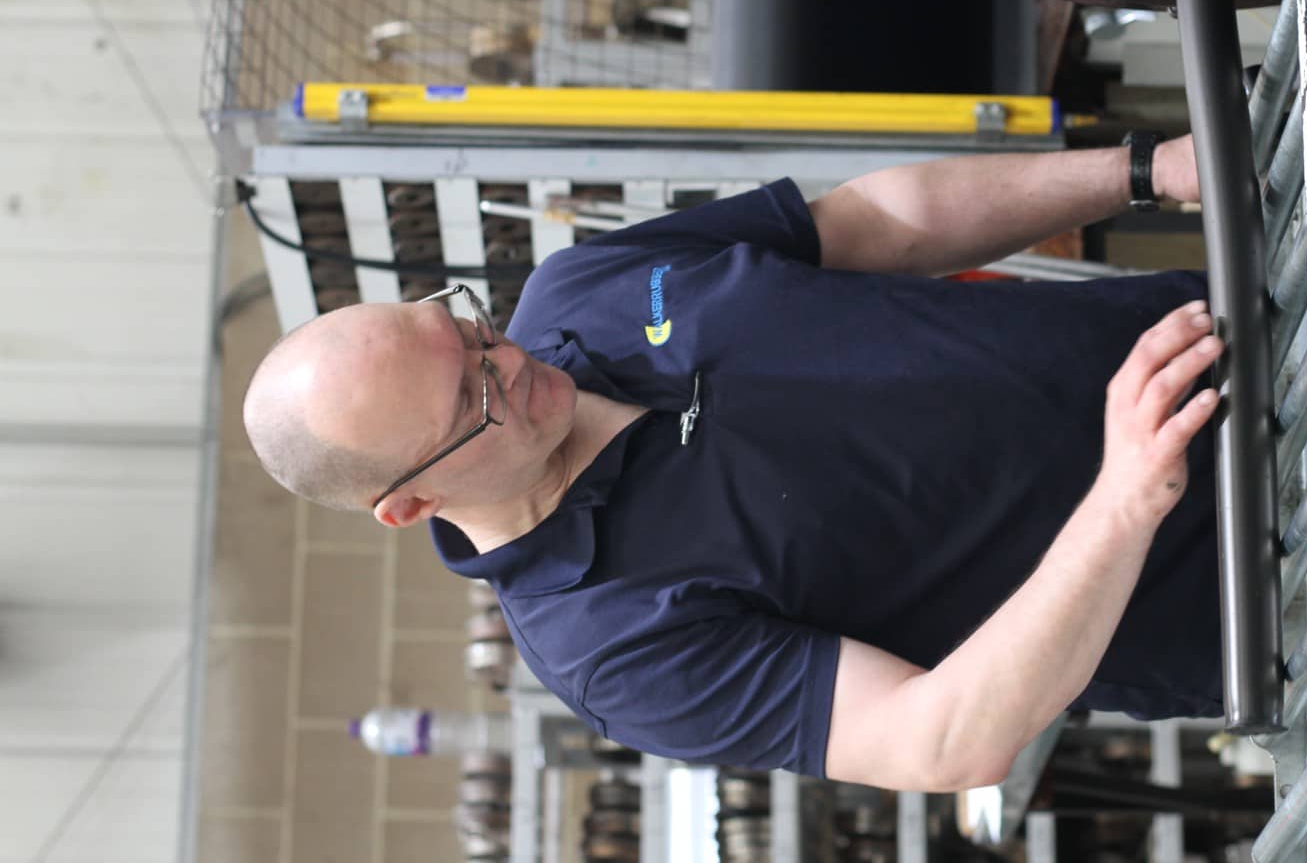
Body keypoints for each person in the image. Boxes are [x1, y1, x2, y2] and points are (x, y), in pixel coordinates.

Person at [243, 136, 1226, 791]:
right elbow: (939, 740)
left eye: (467, 332)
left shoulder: (577, 288)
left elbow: (874, 222)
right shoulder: (612, 648)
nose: (510, 362)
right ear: (411, 503)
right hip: (1250, 574)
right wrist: (1125, 499)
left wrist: (1144, 169)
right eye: (473, 401)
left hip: (1226, 334)